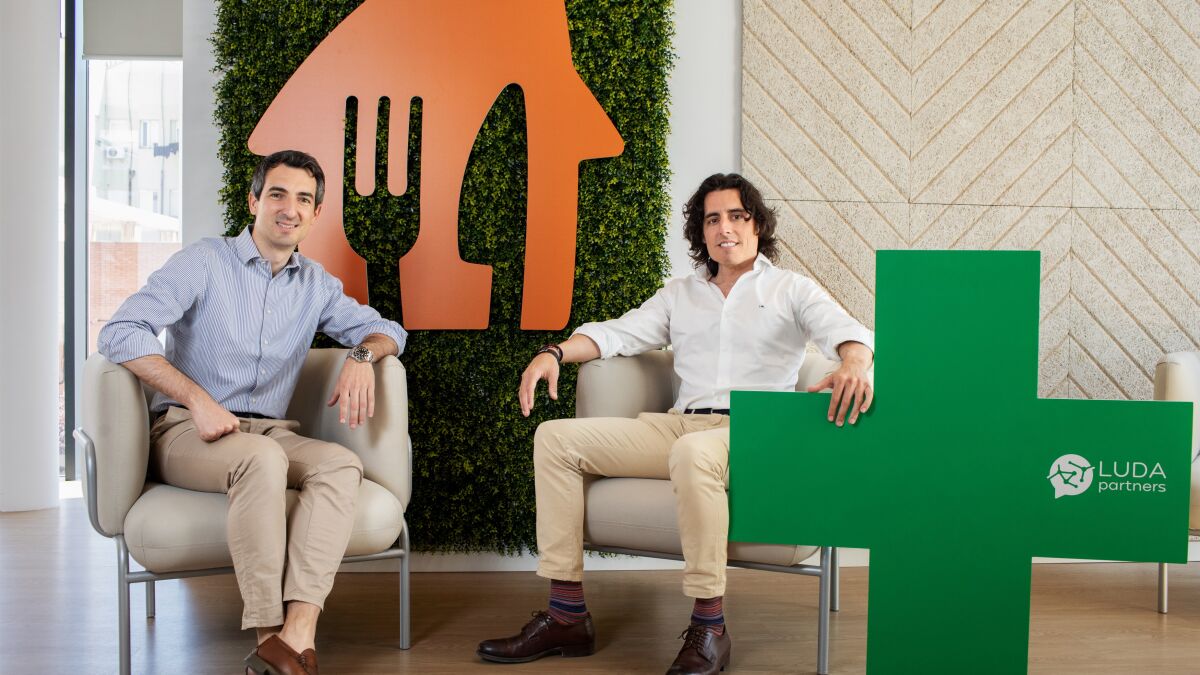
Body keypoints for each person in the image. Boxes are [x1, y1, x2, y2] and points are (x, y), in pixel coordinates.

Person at [477, 173, 874, 674]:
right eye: (712, 219)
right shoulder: (680, 293)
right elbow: (618, 333)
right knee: (555, 439)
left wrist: (854, 362)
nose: (724, 228)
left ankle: (710, 626)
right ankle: (566, 615)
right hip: (679, 424)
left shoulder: (790, 288)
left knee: (692, 455)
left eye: (736, 216)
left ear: (757, 224)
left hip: (750, 432)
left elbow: (851, 333)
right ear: (700, 232)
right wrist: (553, 352)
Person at [97, 150, 407, 675]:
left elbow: (388, 331)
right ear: (254, 201)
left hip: (266, 431)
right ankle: (268, 635)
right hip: (185, 429)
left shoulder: (316, 285)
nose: (290, 209)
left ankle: (297, 635)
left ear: (316, 214)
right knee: (260, 459)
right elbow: (121, 331)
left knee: (340, 465)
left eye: (303, 199)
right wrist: (196, 399)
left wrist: (361, 356)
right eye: (278, 194)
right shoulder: (204, 261)